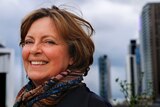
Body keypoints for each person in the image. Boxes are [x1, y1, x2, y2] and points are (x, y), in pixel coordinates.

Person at [14, 5, 112, 107]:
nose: (34, 50)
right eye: (29, 41)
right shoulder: (23, 102)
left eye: (49, 42)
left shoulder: (94, 105)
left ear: (73, 55)